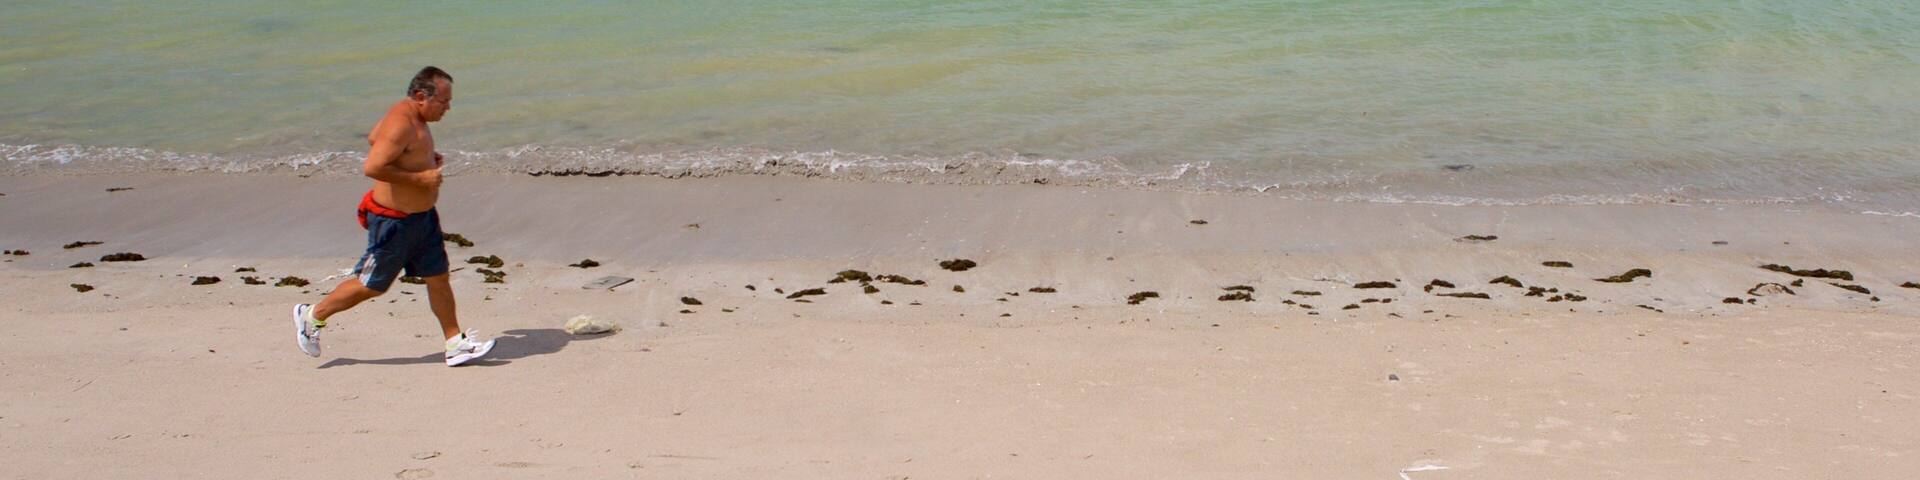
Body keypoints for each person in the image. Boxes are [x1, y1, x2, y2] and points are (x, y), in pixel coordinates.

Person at [292, 66, 495, 366]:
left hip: (422, 218)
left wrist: (422, 160)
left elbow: (375, 138)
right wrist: (420, 179)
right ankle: (312, 316)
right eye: (444, 102)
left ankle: (455, 343)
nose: (448, 108)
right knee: (372, 285)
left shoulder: (413, 118)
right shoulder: (400, 122)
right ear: (420, 96)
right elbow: (373, 166)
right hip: (393, 222)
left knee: (438, 277)